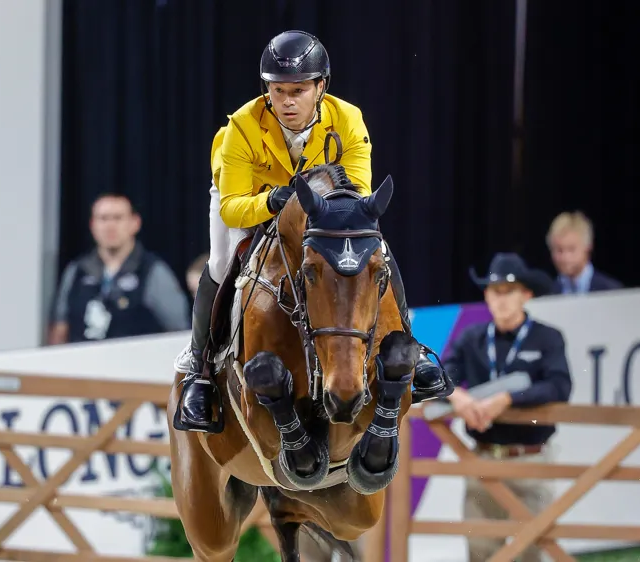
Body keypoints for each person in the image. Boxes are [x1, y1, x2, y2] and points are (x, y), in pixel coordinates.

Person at [175, 30, 451, 433]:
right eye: (278, 90)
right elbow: (233, 209)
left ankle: (413, 346)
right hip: (253, 201)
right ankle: (201, 368)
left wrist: (312, 209)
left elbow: (357, 199)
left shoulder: (348, 119)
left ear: (320, 87)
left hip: (321, 209)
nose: (287, 101)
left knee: (378, 249)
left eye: (298, 90)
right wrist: (273, 202)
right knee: (220, 262)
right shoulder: (242, 127)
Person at [443, 252, 572, 562]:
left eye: (508, 292)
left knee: (530, 550)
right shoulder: (471, 338)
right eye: (494, 292)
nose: (500, 300)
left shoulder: (547, 337)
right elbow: (441, 372)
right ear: (486, 296)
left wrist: (509, 399)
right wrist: (455, 395)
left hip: (531, 460)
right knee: (481, 550)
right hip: (483, 457)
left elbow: (560, 386)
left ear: (526, 294)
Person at [48, 194, 190, 344]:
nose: (110, 226)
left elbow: (178, 331)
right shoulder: (77, 271)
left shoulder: (153, 271)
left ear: (135, 223)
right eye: (103, 218)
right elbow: (59, 328)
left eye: (117, 218)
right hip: (78, 364)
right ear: (92, 225)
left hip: (133, 364)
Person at [547, 211, 622, 295]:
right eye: (559, 250)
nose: (565, 257)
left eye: (571, 249)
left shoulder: (611, 291)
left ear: (587, 247)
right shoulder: (548, 292)